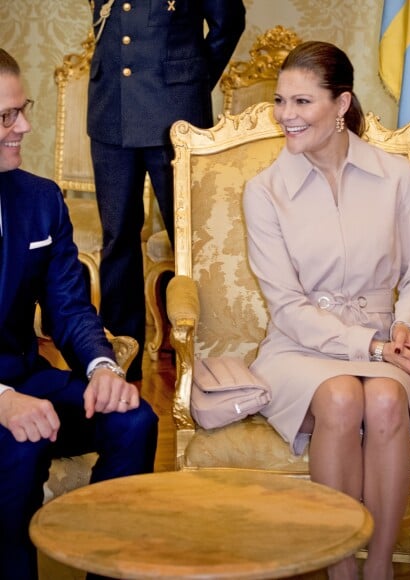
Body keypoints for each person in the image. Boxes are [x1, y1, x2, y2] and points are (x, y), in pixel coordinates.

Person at [243, 41, 410, 580]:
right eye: (281, 101)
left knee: (381, 398)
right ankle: (341, 571)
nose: (286, 116)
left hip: (385, 341)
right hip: (298, 348)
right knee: (339, 395)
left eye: (302, 102)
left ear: (341, 104)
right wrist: (373, 347)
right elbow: (285, 306)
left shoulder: (396, 176)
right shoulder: (264, 192)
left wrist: (403, 325)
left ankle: (377, 569)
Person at [0, 48, 159, 580]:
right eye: (6, 116)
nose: (23, 125)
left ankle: (106, 569)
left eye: (23, 109)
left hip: (27, 378)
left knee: (134, 419)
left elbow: (69, 305)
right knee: (16, 446)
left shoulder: (40, 200)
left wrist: (103, 369)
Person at [88, 0, 246, 380]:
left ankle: (203, 358)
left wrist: (191, 81)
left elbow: (229, 21)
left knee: (189, 240)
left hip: (175, 113)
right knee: (118, 238)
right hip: (111, 110)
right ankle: (122, 360)